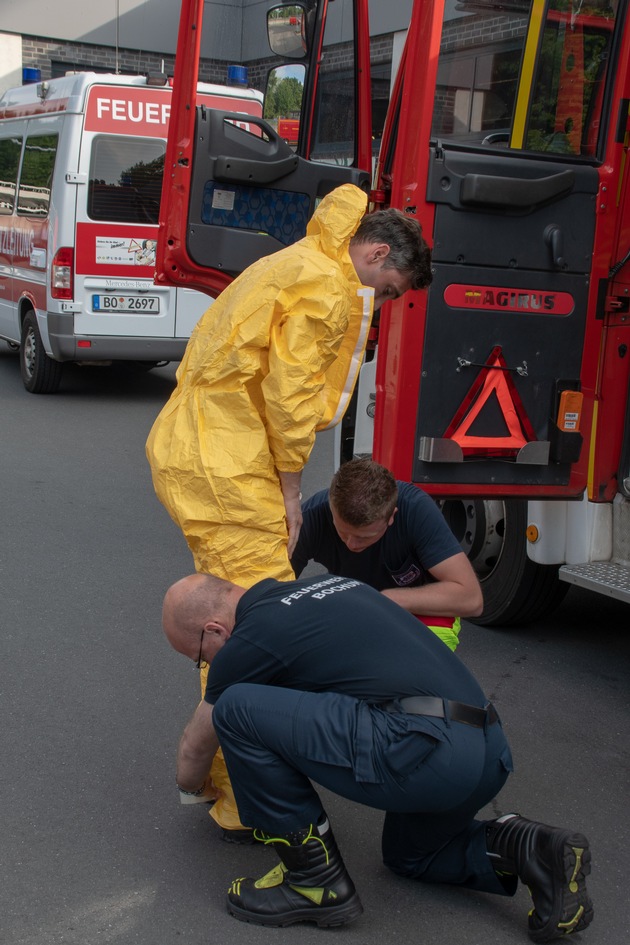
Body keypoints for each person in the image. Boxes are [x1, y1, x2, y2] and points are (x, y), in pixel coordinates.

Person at [146, 183, 432, 835]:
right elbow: (291, 395)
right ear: (377, 250)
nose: (382, 303)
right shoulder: (327, 285)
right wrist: (289, 488)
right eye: (388, 289)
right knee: (258, 627)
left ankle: (229, 780)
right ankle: (247, 797)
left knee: (240, 617)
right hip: (229, 457)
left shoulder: (300, 260)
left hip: (204, 447)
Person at [163, 572, 593, 943]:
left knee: (236, 708)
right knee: (410, 856)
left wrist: (192, 788)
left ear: (215, 630)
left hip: (424, 749)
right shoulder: (333, 585)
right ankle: (534, 848)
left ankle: (313, 883)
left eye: (197, 658)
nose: (204, 665)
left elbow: (196, 745)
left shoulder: (249, 639)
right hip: (486, 750)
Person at [291, 458, 483, 650]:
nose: (351, 544)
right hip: (354, 608)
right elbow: (271, 592)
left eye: (364, 536)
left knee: (407, 669)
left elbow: (471, 599)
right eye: (343, 532)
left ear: (392, 516)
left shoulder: (416, 509)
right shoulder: (310, 517)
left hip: (418, 611)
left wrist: (387, 600)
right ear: (332, 508)